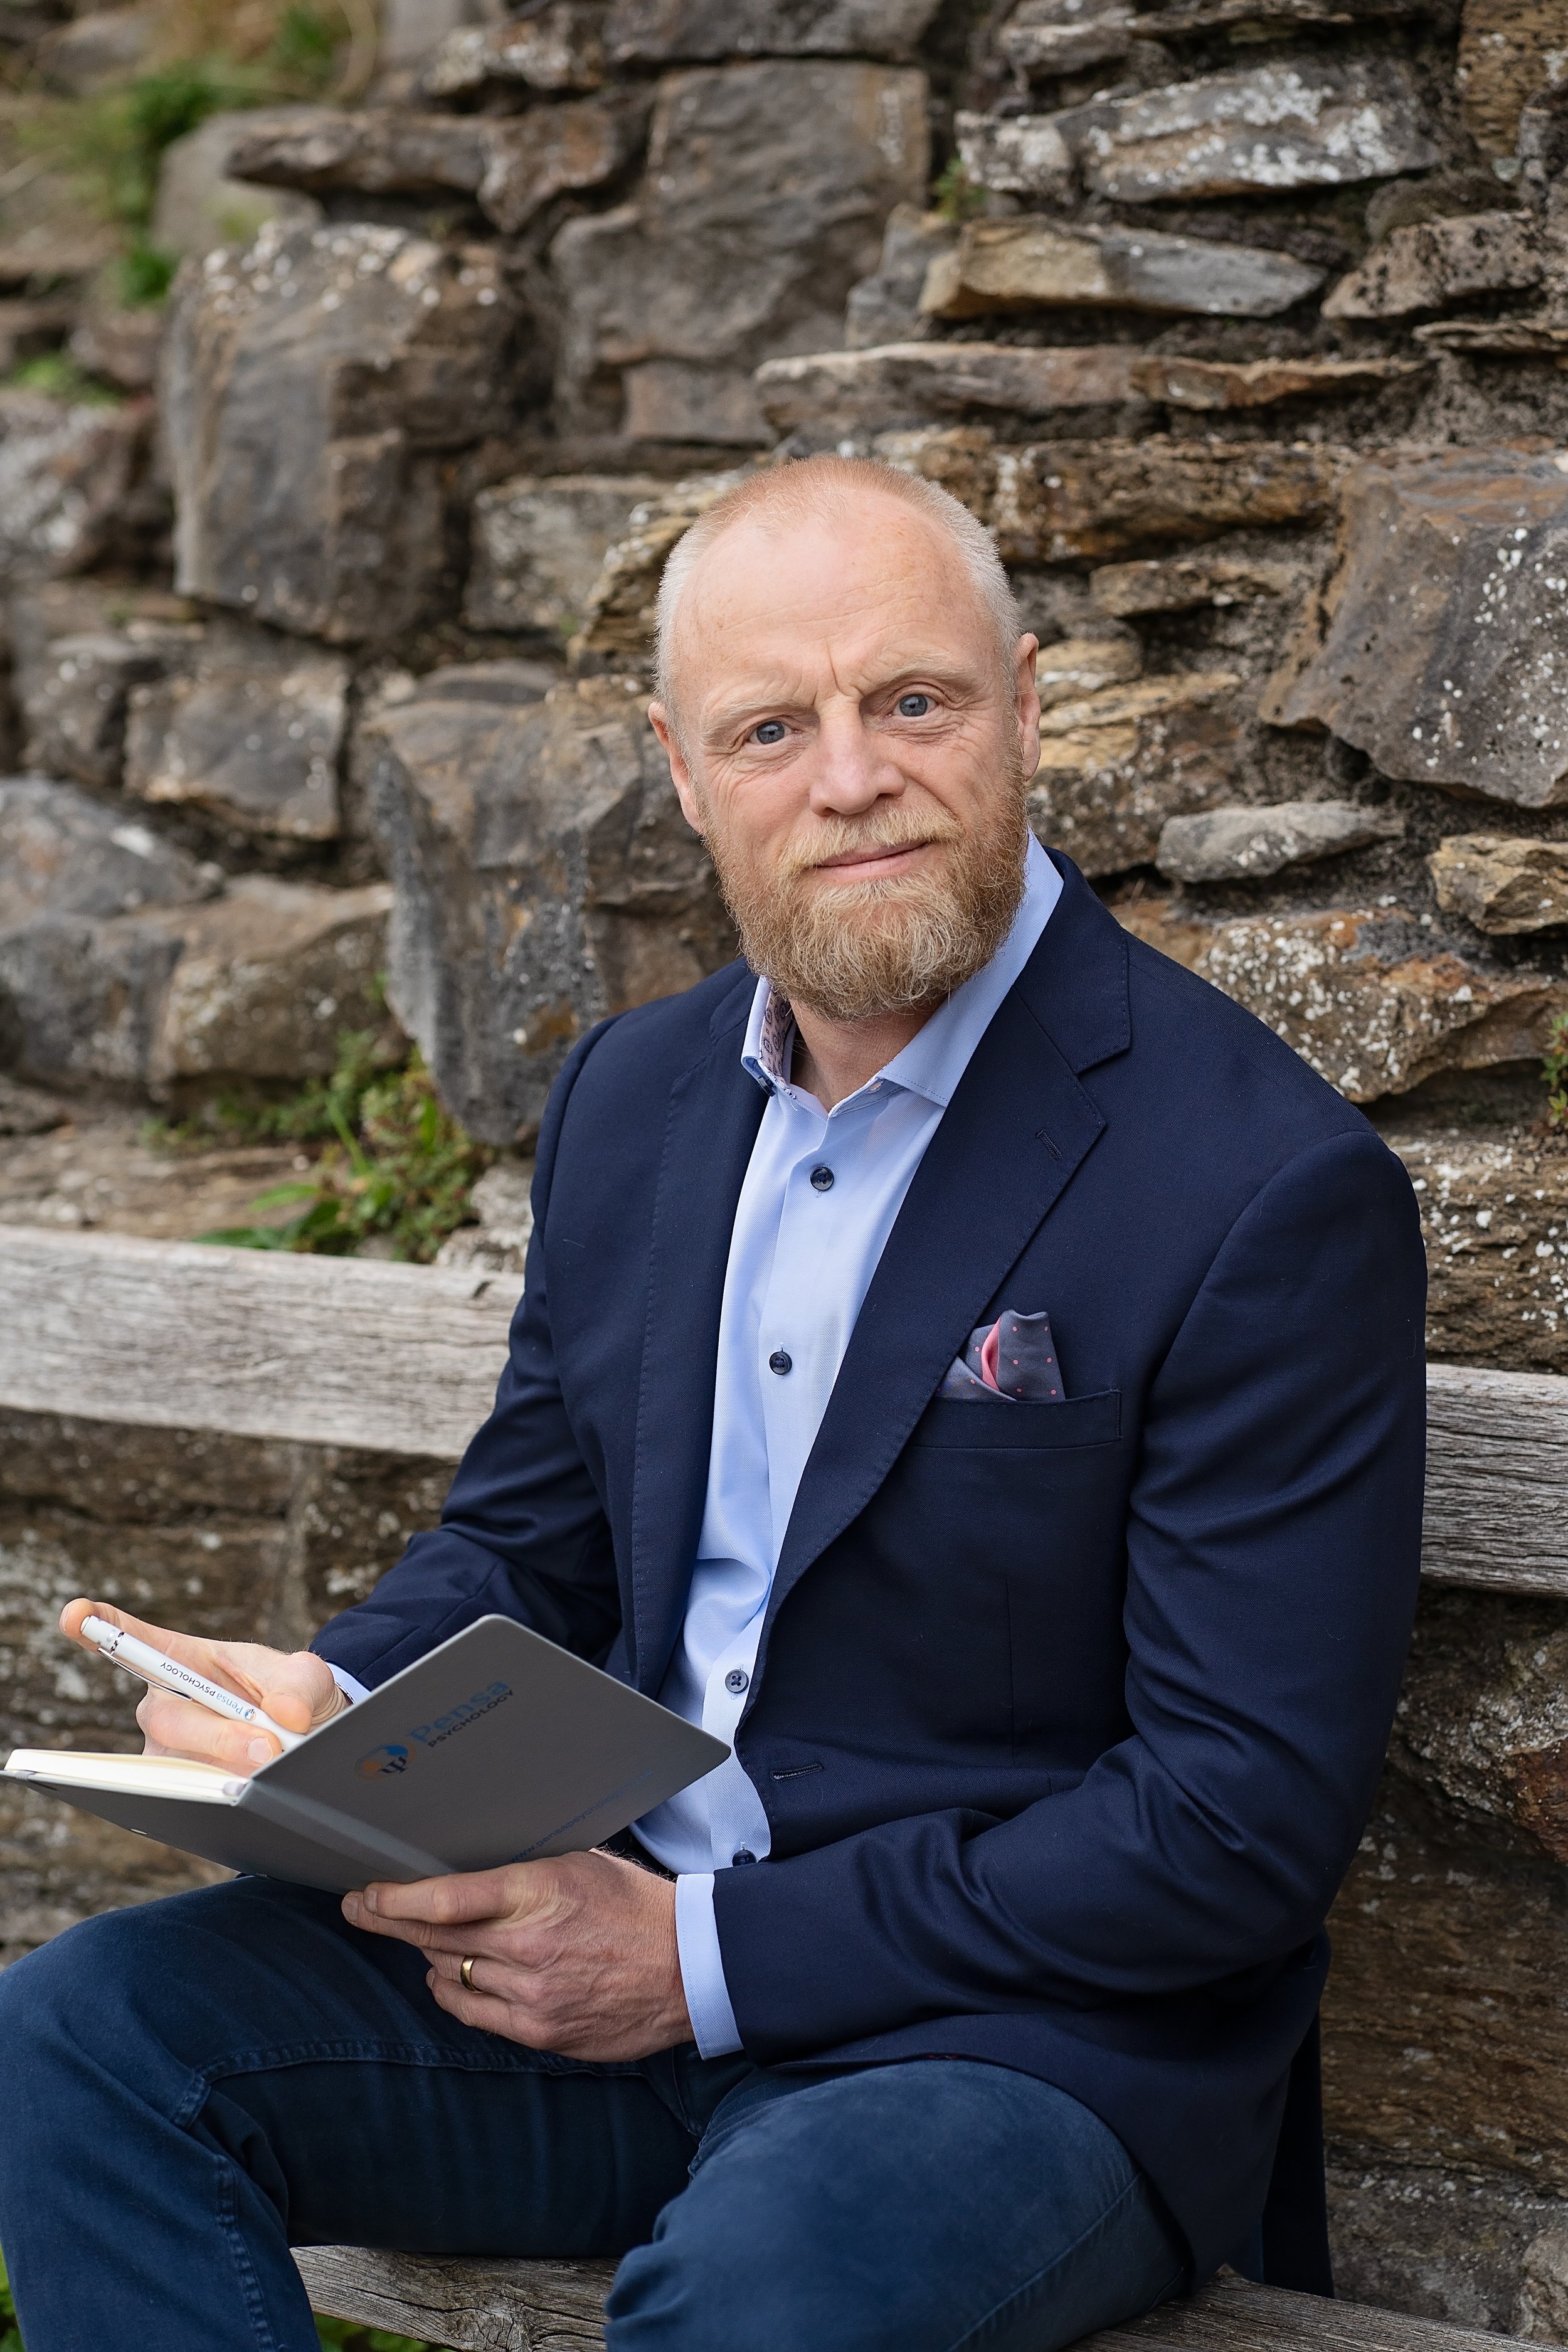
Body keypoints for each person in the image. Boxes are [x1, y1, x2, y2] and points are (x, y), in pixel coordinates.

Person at [0, 456, 1428, 2352]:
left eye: (908, 701)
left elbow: (1230, 1823)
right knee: (83, 2037)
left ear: (1021, 702)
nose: (848, 778)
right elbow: (531, 1541)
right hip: (583, 1958)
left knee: (759, 2294)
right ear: (682, 772)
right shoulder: (638, 1100)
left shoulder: (1254, 1181)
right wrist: (331, 1716)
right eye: (773, 726)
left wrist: (695, 1959)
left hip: (1006, 2047)